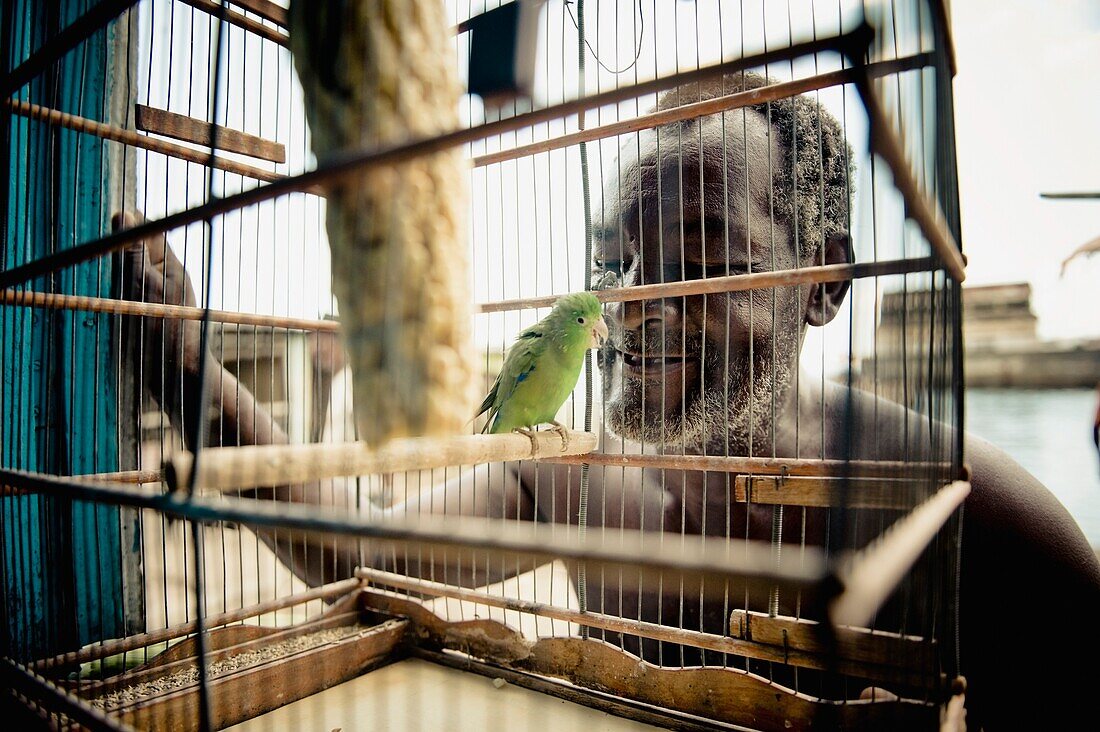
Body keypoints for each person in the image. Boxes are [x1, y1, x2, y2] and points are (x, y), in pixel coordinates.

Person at [123, 73, 1100, 729]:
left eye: (699, 254)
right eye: (613, 259)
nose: (632, 301)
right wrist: (182, 359)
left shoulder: (977, 524)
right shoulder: (569, 481)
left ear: (823, 280)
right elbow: (361, 555)